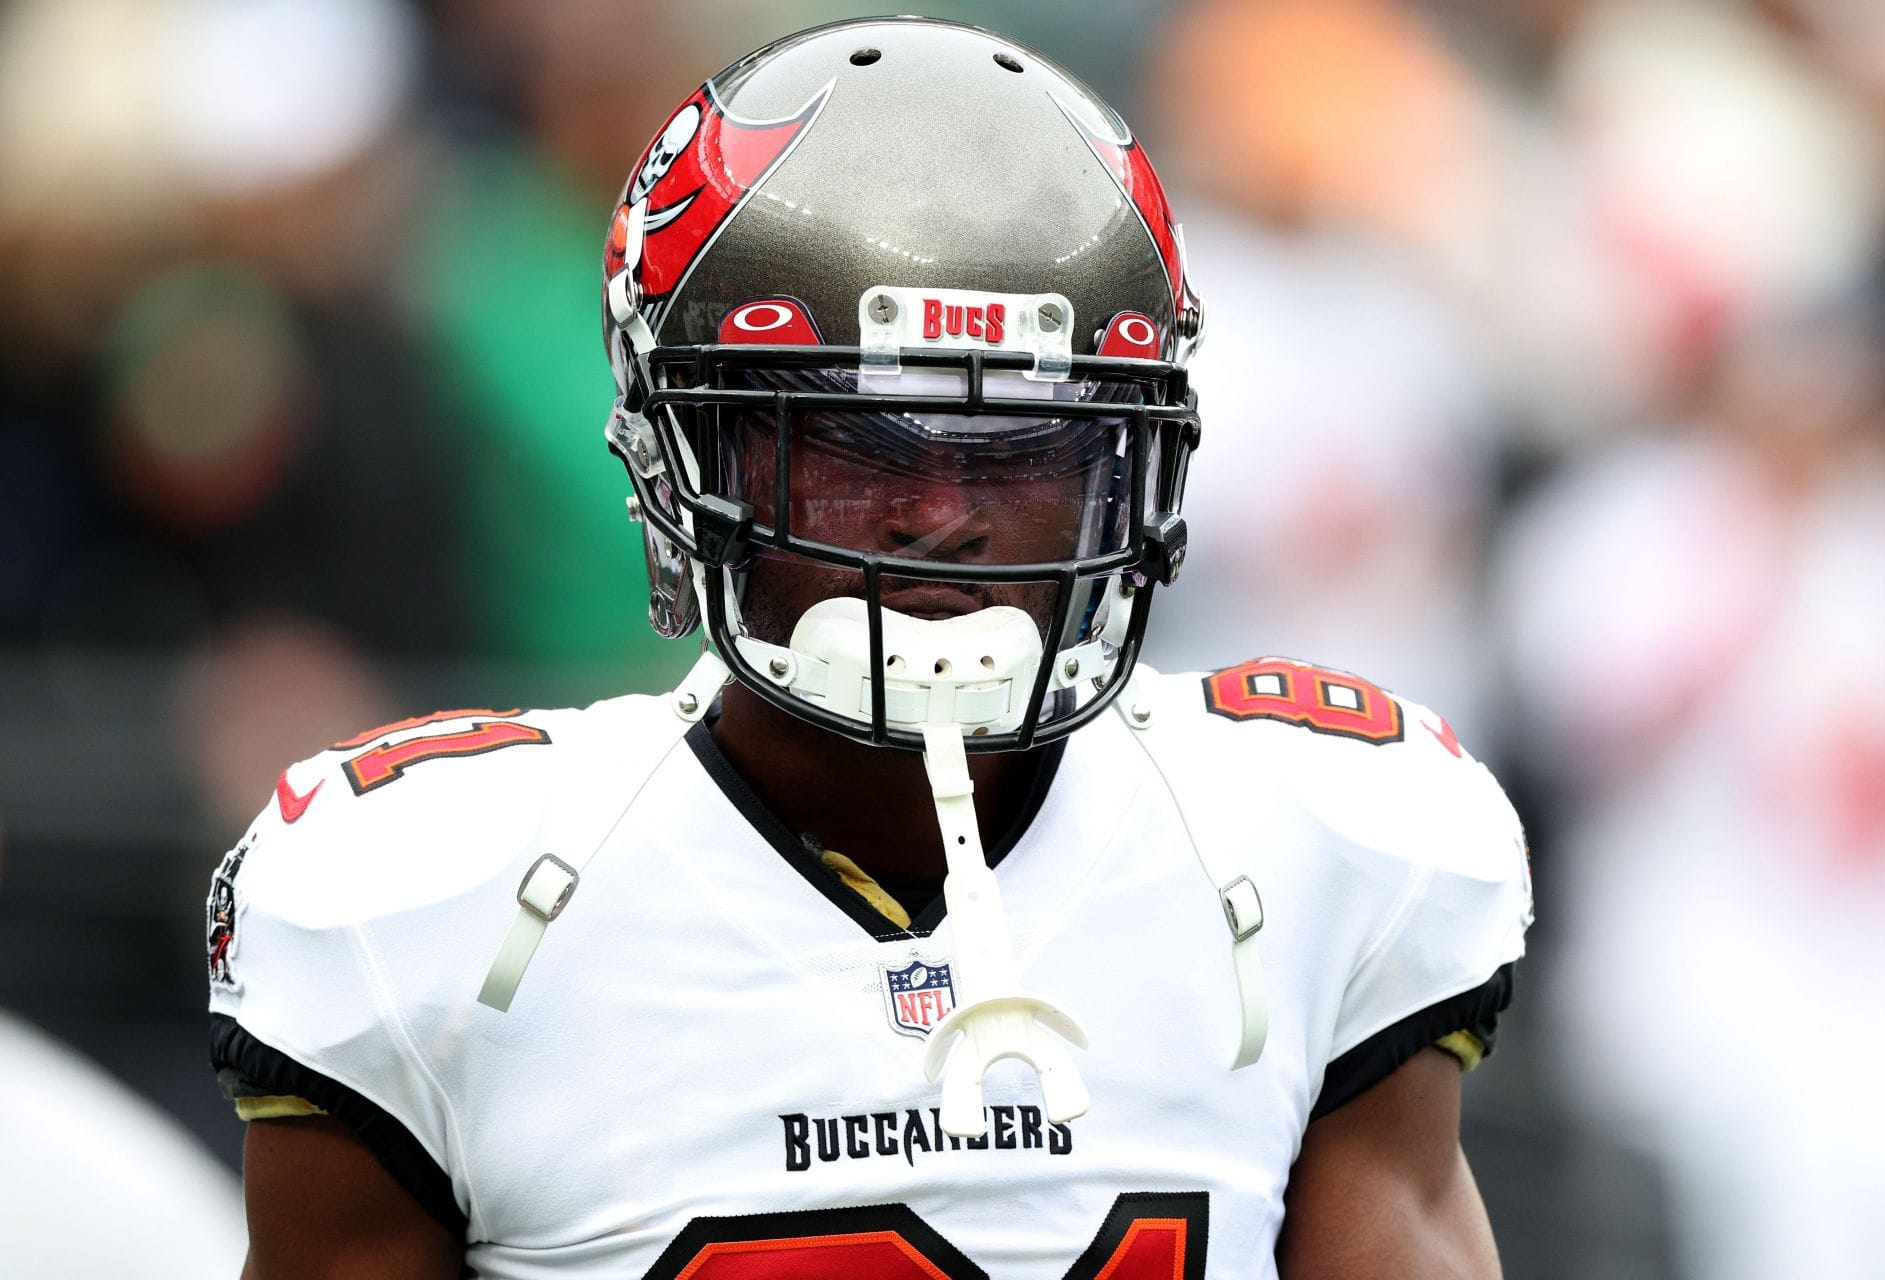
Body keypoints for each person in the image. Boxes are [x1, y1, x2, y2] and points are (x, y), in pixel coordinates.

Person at [207, 17, 1531, 1277]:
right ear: (681, 459)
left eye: (1022, 450)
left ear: (1133, 471)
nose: (944, 520)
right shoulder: (436, 910)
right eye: (853, 450)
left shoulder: (1314, 849)